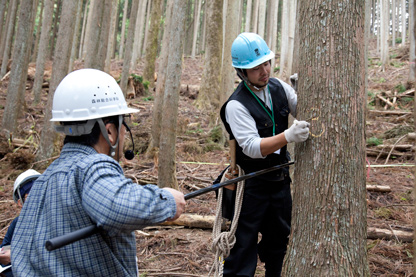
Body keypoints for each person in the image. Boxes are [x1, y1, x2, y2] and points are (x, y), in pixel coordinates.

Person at [11, 69, 186, 276]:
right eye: (124, 125)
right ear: (110, 131)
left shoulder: (44, 179)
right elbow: (118, 207)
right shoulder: (93, 166)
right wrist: (166, 200)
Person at [219, 33, 310, 276]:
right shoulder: (236, 105)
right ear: (241, 71)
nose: (264, 71)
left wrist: (307, 90)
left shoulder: (279, 87)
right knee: (242, 250)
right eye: (256, 68)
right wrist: (288, 136)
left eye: (266, 63)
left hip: (279, 182)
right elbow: (251, 146)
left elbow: (301, 108)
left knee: (278, 245)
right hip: (251, 187)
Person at [0, 169, 40, 277]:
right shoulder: (17, 223)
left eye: (39, 194)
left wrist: (14, 256)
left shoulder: (56, 219)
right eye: (29, 197)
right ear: (20, 203)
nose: (35, 200)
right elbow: (5, 248)